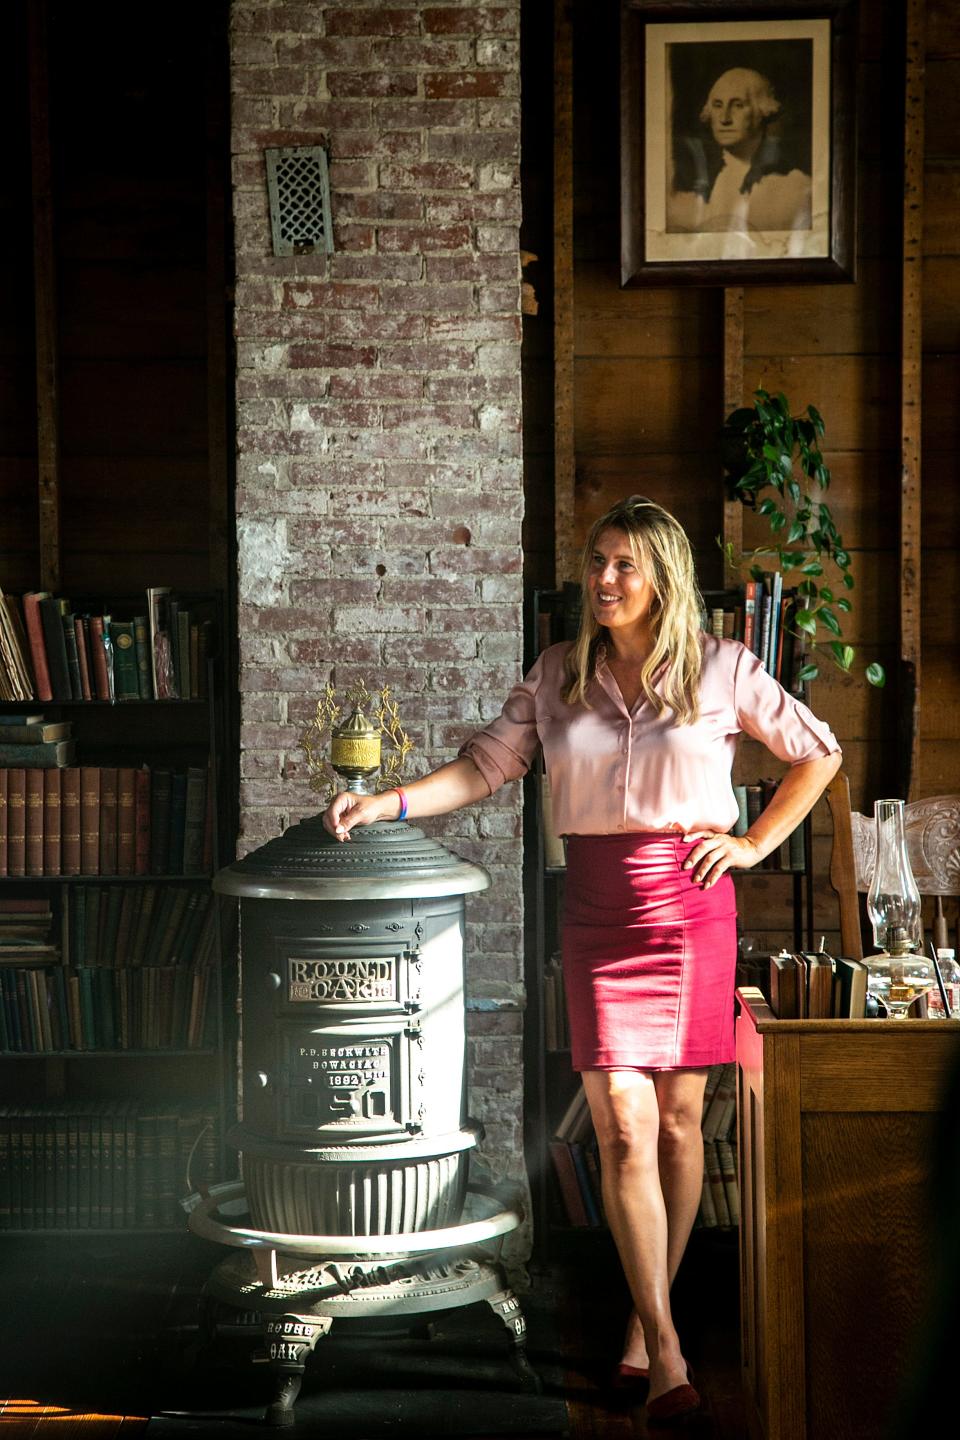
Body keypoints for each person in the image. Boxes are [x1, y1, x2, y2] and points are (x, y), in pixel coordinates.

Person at [322, 496, 842, 1424]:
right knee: (623, 1131)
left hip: (691, 909)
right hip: (599, 912)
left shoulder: (723, 668)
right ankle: (673, 1353)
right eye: (597, 562)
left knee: (681, 1129)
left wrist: (754, 844)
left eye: (624, 565)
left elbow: (818, 752)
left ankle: (646, 1326)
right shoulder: (560, 673)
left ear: (663, 577)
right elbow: (485, 767)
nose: (602, 580)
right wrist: (387, 803)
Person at [667, 66, 812, 235]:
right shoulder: (699, 183)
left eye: (738, 105)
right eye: (718, 105)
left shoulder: (793, 187)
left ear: (762, 111)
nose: (724, 118)